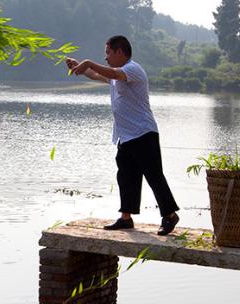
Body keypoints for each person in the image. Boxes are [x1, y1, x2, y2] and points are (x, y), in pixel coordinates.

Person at [66, 35, 180, 236]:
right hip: (125, 136)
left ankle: (170, 215)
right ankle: (126, 218)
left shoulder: (133, 69)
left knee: (154, 176)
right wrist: (81, 68)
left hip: (144, 133)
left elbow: (111, 72)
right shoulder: (115, 74)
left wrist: (88, 62)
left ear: (120, 52)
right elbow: (97, 75)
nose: (106, 57)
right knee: (126, 176)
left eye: (108, 53)